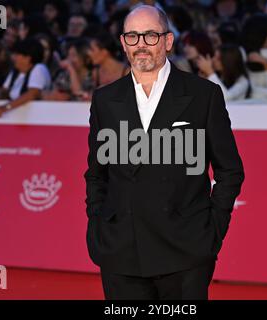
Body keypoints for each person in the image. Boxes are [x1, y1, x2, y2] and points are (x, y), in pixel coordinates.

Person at [84, 5, 244, 300]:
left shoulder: (203, 95)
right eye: (132, 36)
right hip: (121, 252)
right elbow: (97, 173)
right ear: (122, 42)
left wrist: (212, 230)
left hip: (185, 253)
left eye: (150, 35)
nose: (141, 44)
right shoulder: (105, 100)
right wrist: (98, 225)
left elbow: (230, 171)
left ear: (168, 41)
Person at [0, 38, 51, 117]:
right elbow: (4, 91)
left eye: (17, 55)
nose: (14, 58)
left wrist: (6, 107)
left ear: (27, 58)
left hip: (34, 118)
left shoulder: (39, 69)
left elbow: (32, 94)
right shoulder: (15, 72)